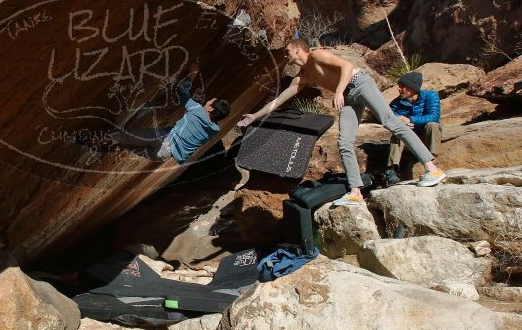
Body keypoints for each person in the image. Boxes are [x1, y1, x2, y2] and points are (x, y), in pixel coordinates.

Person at [238, 39, 446, 206]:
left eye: (288, 51)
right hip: (348, 97)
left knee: (389, 121)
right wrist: (255, 116)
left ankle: (432, 168)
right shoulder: (303, 76)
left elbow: (347, 66)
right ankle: (355, 192)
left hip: (359, 84)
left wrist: (338, 91)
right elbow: (279, 100)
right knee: (344, 142)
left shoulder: (316, 55)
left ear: (299, 49)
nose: (286, 55)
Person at [107, 62, 230, 165]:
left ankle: (100, 137)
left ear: (211, 109)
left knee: (125, 136)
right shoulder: (213, 130)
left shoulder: (197, 110)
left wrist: (193, 74)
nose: (208, 101)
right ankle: (109, 148)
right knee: (129, 147)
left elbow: (182, 92)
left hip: (162, 140)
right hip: (162, 156)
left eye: (210, 102)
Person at [384, 71, 442, 185]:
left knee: (433, 125)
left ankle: (432, 164)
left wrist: (410, 119)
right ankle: (391, 172)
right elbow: (391, 121)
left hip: (425, 138)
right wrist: (402, 124)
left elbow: (434, 116)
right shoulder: (395, 104)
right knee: (398, 132)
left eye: (402, 86)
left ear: (413, 88)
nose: (399, 89)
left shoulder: (431, 96)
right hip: (408, 142)